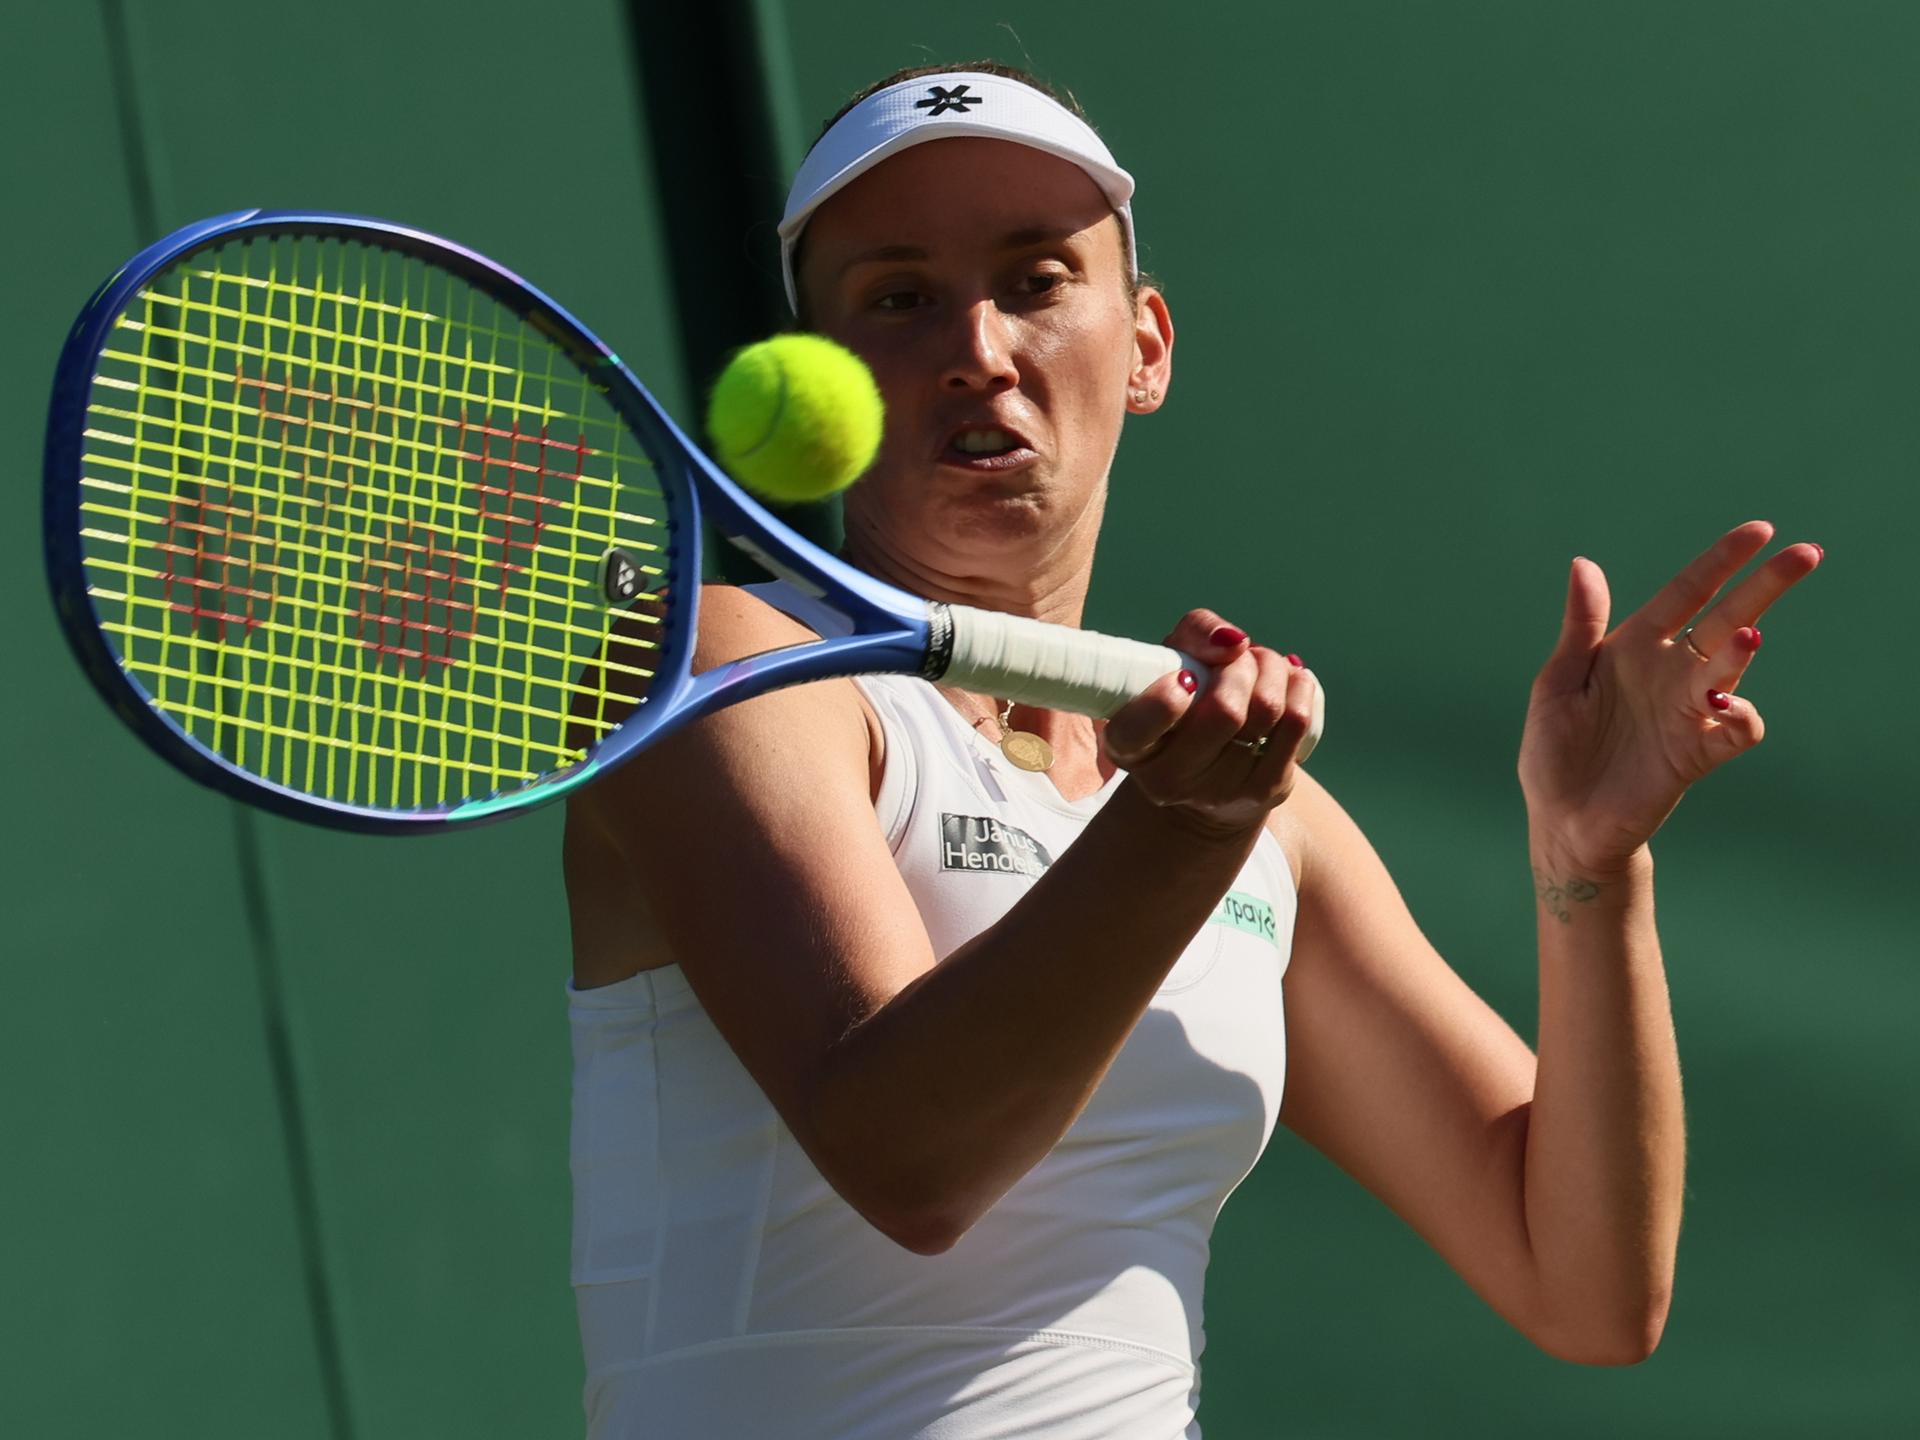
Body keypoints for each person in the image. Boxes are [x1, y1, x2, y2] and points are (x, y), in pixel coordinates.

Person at [561, 62, 1821, 1439]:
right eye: (900, 295)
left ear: (1145, 347)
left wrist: (1592, 870)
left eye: (1037, 279)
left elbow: (1584, 1287)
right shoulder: (725, 662)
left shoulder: (1267, 824)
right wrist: (1178, 835)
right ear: (824, 368)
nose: (978, 346)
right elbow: (907, 1157)